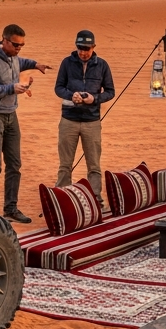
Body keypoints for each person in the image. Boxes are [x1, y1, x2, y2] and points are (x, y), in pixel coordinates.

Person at [0, 24, 50, 223]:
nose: (19, 49)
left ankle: (10, 209)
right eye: (16, 44)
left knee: (14, 165)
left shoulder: (13, 57)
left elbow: (20, 62)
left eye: (22, 45)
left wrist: (36, 64)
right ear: (5, 41)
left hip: (11, 116)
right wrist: (11, 88)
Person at [54, 29, 115, 206]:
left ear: (93, 47)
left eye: (87, 48)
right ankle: (62, 196)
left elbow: (110, 92)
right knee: (65, 163)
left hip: (92, 122)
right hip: (68, 120)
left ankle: (96, 198)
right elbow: (58, 87)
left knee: (93, 164)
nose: (83, 52)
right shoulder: (67, 63)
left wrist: (93, 98)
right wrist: (70, 95)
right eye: (80, 48)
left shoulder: (102, 65)